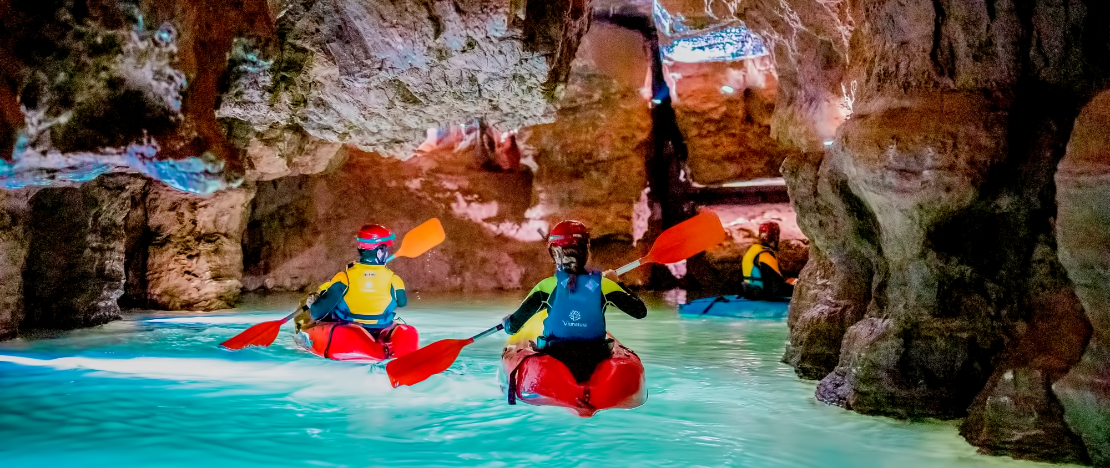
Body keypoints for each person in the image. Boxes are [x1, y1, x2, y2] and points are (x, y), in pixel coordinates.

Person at [501, 220, 648, 382]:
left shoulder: (546, 287)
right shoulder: (603, 285)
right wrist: (618, 283)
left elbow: (513, 327)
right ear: (586, 250)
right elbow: (640, 312)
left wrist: (507, 322)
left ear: (555, 254)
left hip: (555, 354)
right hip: (595, 355)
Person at [295, 224, 412, 343]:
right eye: (386, 249)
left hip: (348, 327)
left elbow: (318, 313)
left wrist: (313, 304)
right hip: (380, 327)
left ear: (360, 249)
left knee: (307, 304)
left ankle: (302, 331)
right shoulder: (395, 280)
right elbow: (402, 302)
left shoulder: (344, 277)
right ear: (380, 252)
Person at [741, 222, 794, 300]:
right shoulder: (765, 255)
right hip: (761, 297)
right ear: (775, 237)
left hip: (750, 294)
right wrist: (799, 290)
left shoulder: (752, 250)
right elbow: (777, 289)